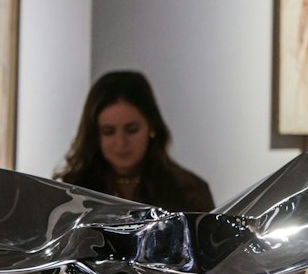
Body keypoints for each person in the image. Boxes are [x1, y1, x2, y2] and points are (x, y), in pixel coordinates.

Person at [56, 70, 214, 210]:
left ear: (151, 127)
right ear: (95, 135)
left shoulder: (189, 191)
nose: (121, 142)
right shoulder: (71, 193)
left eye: (131, 130)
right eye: (109, 132)